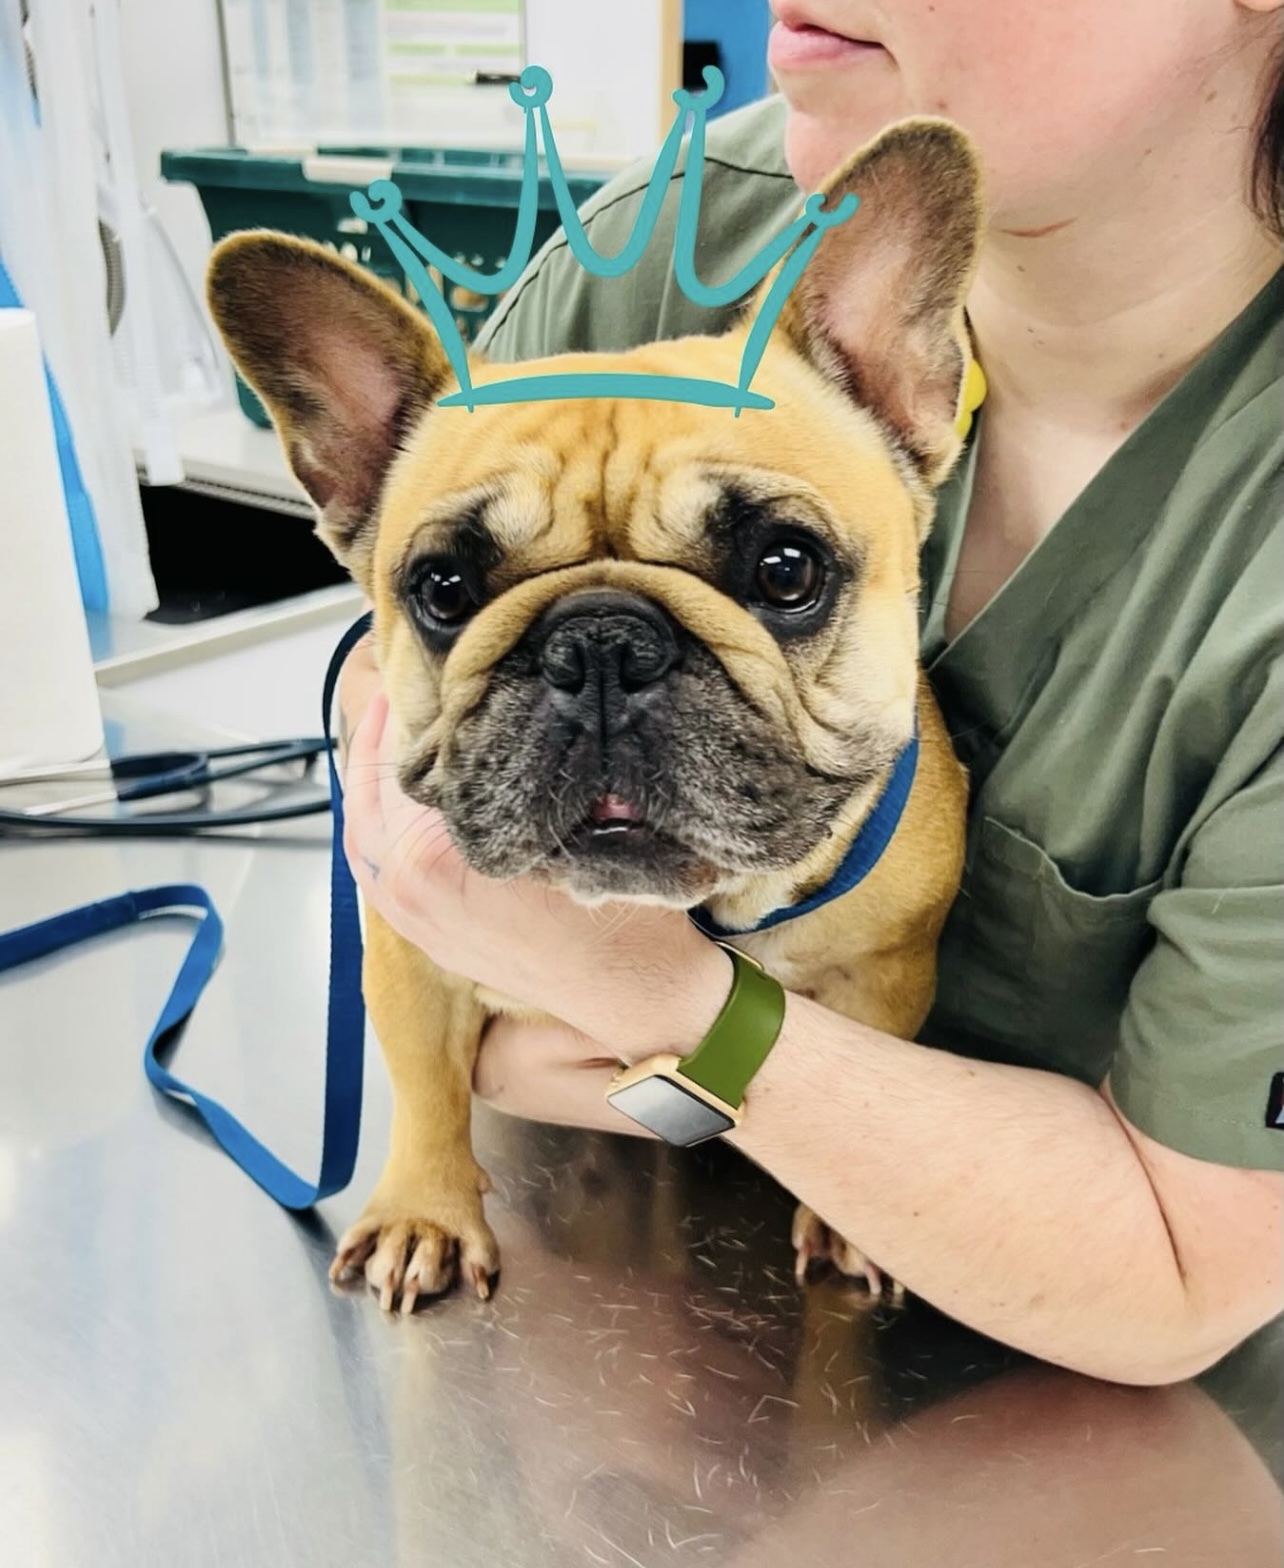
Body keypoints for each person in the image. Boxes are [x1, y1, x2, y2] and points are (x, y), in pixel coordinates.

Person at [336, 0, 1284, 1384]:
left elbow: (1179, 1277)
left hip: (1057, 1399)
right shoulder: (676, 234)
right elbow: (386, 659)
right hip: (601, 1295)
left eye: (780, 566)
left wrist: (652, 1019)